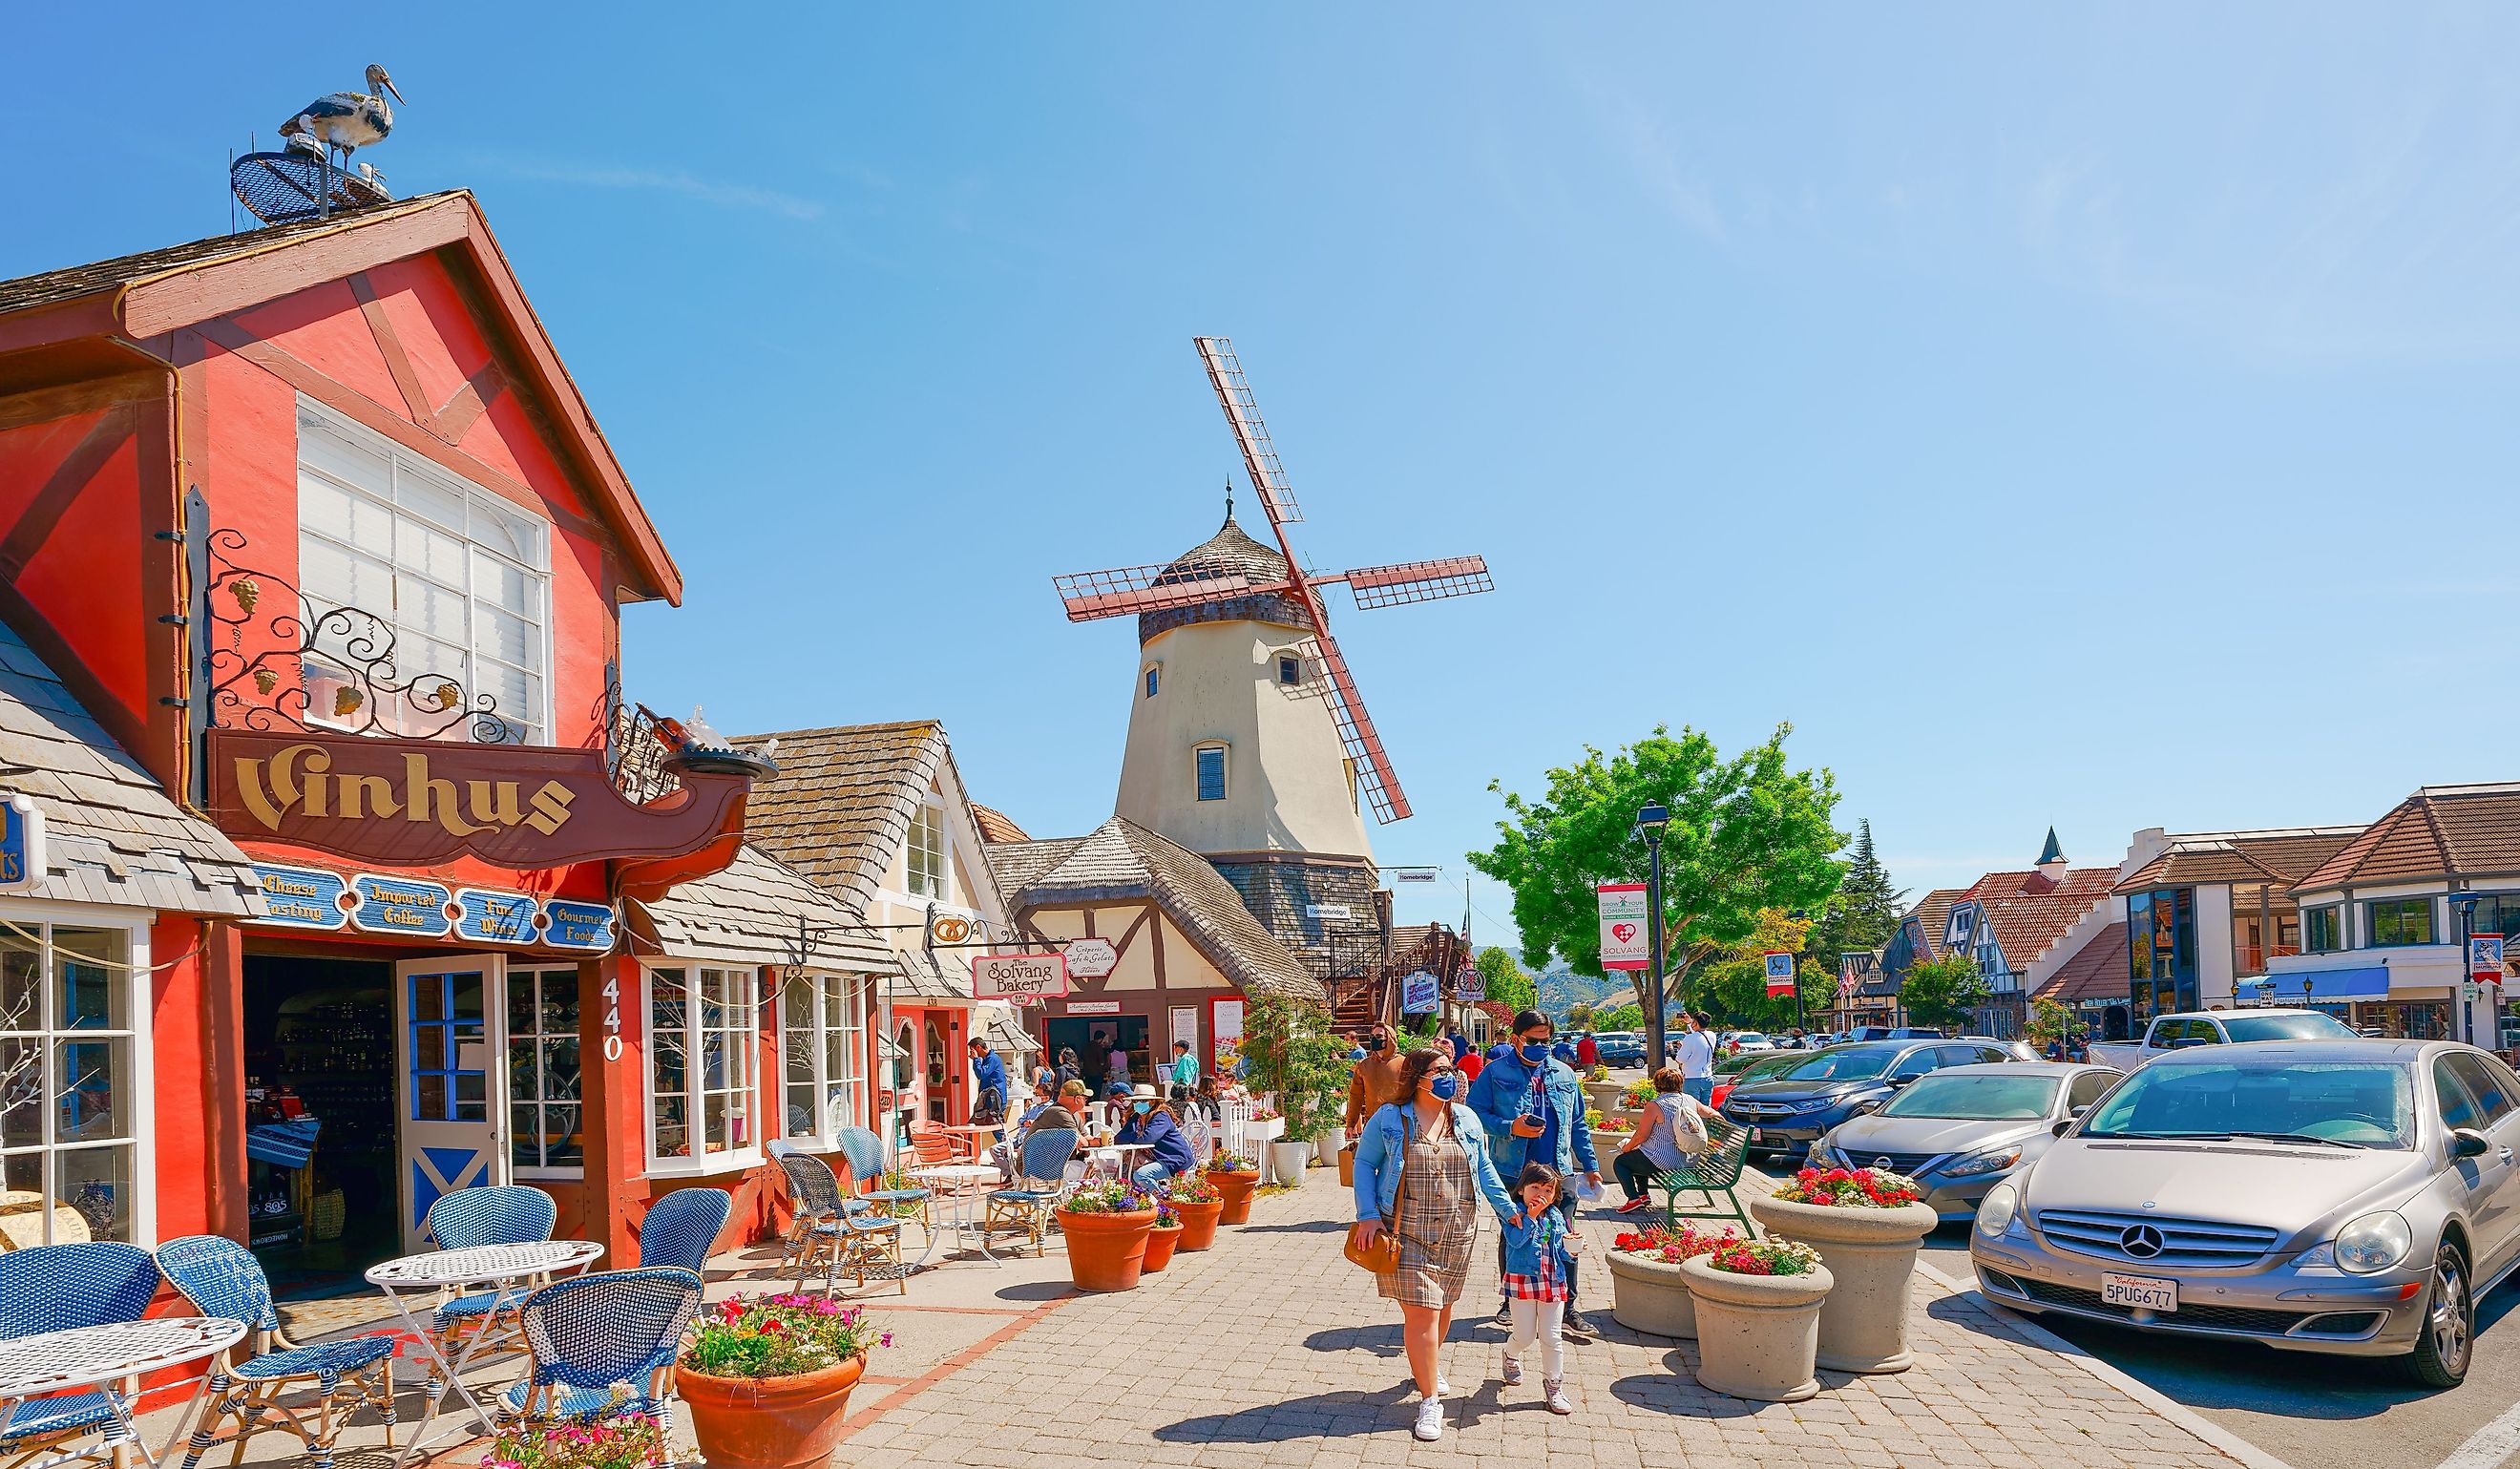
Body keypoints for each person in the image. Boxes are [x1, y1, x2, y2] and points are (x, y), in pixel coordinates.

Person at [1351, 1047, 1514, 1443]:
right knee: (1423, 1312)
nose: (1449, 1076)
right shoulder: (1391, 1118)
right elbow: (1365, 1163)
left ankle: (1427, 1364)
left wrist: (1510, 1211)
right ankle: (1428, 1401)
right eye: (1440, 1070)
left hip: (1459, 1229)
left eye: (1451, 1069)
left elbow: (1485, 1168)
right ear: (1418, 1076)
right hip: (1405, 1231)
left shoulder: (1466, 1119)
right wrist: (1367, 1213)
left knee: (1444, 1308)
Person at [1465, 1010, 1602, 1340]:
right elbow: (1473, 1114)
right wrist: (1509, 1127)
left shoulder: (1565, 1074)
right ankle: (1512, 1302)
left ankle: (1568, 1308)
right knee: (1514, 1235)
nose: (1542, 1046)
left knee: (1565, 1238)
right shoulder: (1494, 1072)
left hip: (1559, 1172)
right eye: (1534, 1040)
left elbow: (1579, 1123)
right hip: (1513, 1172)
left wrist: (1591, 1165)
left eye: (1547, 1040)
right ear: (1516, 1039)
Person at [1494, 1163, 1581, 1414]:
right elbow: (1515, 1240)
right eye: (1535, 1187)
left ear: (1555, 1195)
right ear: (1522, 1190)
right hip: (1522, 1281)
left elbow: (1561, 1250)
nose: (1541, 1194)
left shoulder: (1556, 1217)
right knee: (1525, 1335)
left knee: (1552, 1337)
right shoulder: (1514, 1215)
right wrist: (1530, 1218)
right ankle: (1510, 1355)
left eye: (1548, 1189)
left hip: (1552, 1281)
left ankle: (1554, 1386)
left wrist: (1573, 1249)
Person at [1612, 1066, 1721, 1213]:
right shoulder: (1689, 1099)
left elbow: (1642, 1136)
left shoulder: (1655, 1105)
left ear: (1658, 1084)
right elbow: (1710, 1113)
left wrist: (1626, 1148)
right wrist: (1723, 1124)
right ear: (1679, 1083)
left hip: (1662, 1160)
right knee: (1638, 1154)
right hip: (1685, 1158)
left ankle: (1633, 1198)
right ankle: (1643, 1195)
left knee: (1621, 1162)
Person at [1115, 1083, 1195, 1190]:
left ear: (1152, 1102)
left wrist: (1134, 1136)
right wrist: (1136, 1135)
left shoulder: (1161, 1116)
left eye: (1143, 1101)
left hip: (1174, 1159)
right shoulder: (1136, 1118)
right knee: (1129, 1175)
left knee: (1141, 1175)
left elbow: (1147, 1138)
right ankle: (1143, 1203)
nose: (1138, 1104)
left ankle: (1164, 1200)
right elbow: (1119, 1138)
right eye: (1135, 1101)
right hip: (1156, 1158)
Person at [1344, 1024, 1410, 1139]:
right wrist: (1351, 1124)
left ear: (1389, 1039)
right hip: (1373, 1123)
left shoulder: (1404, 1063)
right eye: (1372, 1036)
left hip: (1399, 1124)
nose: (1374, 1039)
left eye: (1379, 1036)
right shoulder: (1363, 1065)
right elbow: (1355, 1096)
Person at [1675, 1013, 1717, 1104]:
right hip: (1708, 1077)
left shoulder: (1689, 1038)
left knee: (1692, 1109)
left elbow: (1680, 1059)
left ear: (1696, 1023)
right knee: (1705, 1109)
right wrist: (1690, 1023)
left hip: (1692, 1078)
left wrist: (1681, 1048)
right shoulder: (1712, 1036)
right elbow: (1700, 1036)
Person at [967, 1038, 1009, 1124]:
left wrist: (976, 1060)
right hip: (988, 1099)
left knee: (996, 1127)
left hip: (996, 1100)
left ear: (978, 1047)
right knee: (976, 1121)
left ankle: (1006, 1138)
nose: (971, 1053)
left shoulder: (992, 1059)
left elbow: (981, 1074)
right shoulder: (987, 1059)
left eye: (972, 1050)